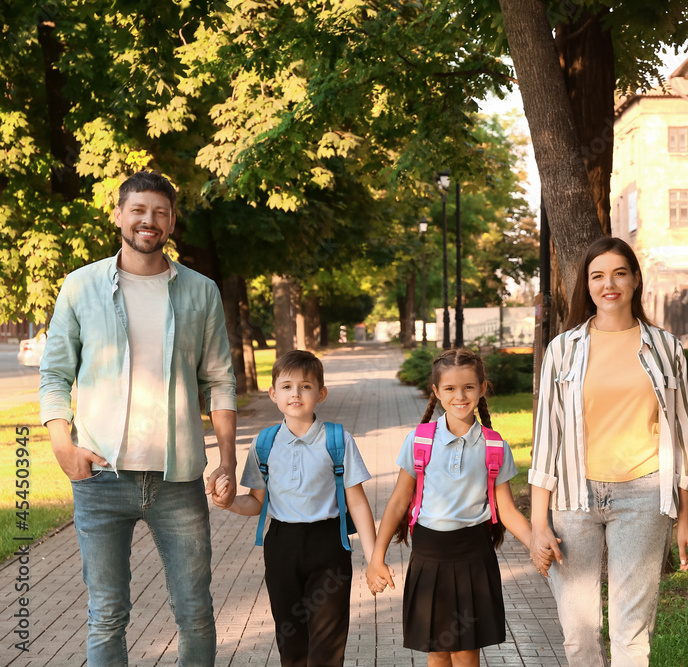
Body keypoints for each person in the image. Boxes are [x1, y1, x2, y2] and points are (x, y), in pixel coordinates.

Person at [39, 170, 237, 666]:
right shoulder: (79, 287)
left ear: (172, 222)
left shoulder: (200, 291)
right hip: (100, 477)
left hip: (179, 480)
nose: (149, 221)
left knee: (194, 612)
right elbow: (55, 374)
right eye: (139, 210)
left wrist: (228, 460)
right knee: (106, 613)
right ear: (119, 215)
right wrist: (63, 446)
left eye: (161, 213)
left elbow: (220, 380)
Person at [529, 236, 688, 667]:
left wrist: (685, 519)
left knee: (631, 631)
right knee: (578, 632)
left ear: (636, 280)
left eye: (620, 273)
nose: (610, 284)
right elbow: (546, 438)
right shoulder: (562, 349)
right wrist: (537, 524)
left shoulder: (665, 348)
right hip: (574, 499)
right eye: (598, 275)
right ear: (586, 285)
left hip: (644, 497)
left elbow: (681, 436)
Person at [365, 348, 532, 667]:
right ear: (437, 392)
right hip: (429, 558)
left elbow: (507, 509)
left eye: (468, 387)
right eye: (451, 388)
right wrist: (377, 558)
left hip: (473, 559)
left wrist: (536, 543)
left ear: (482, 389)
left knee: (466, 651)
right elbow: (399, 501)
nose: (460, 395)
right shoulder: (419, 441)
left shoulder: (494, 445)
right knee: (436, 650)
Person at [215, 350, 377, 666]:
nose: (296, 393)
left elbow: (357, 502)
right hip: (281, 545)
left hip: (329, 545)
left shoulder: (338, 439)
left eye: (305, 386)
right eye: (287, 386)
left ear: (321, 394)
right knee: (291, 642)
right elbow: (256, 502)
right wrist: (230, 502)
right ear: (273, 393)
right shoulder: (264, 442)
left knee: (327, 644)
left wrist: (374, 560)